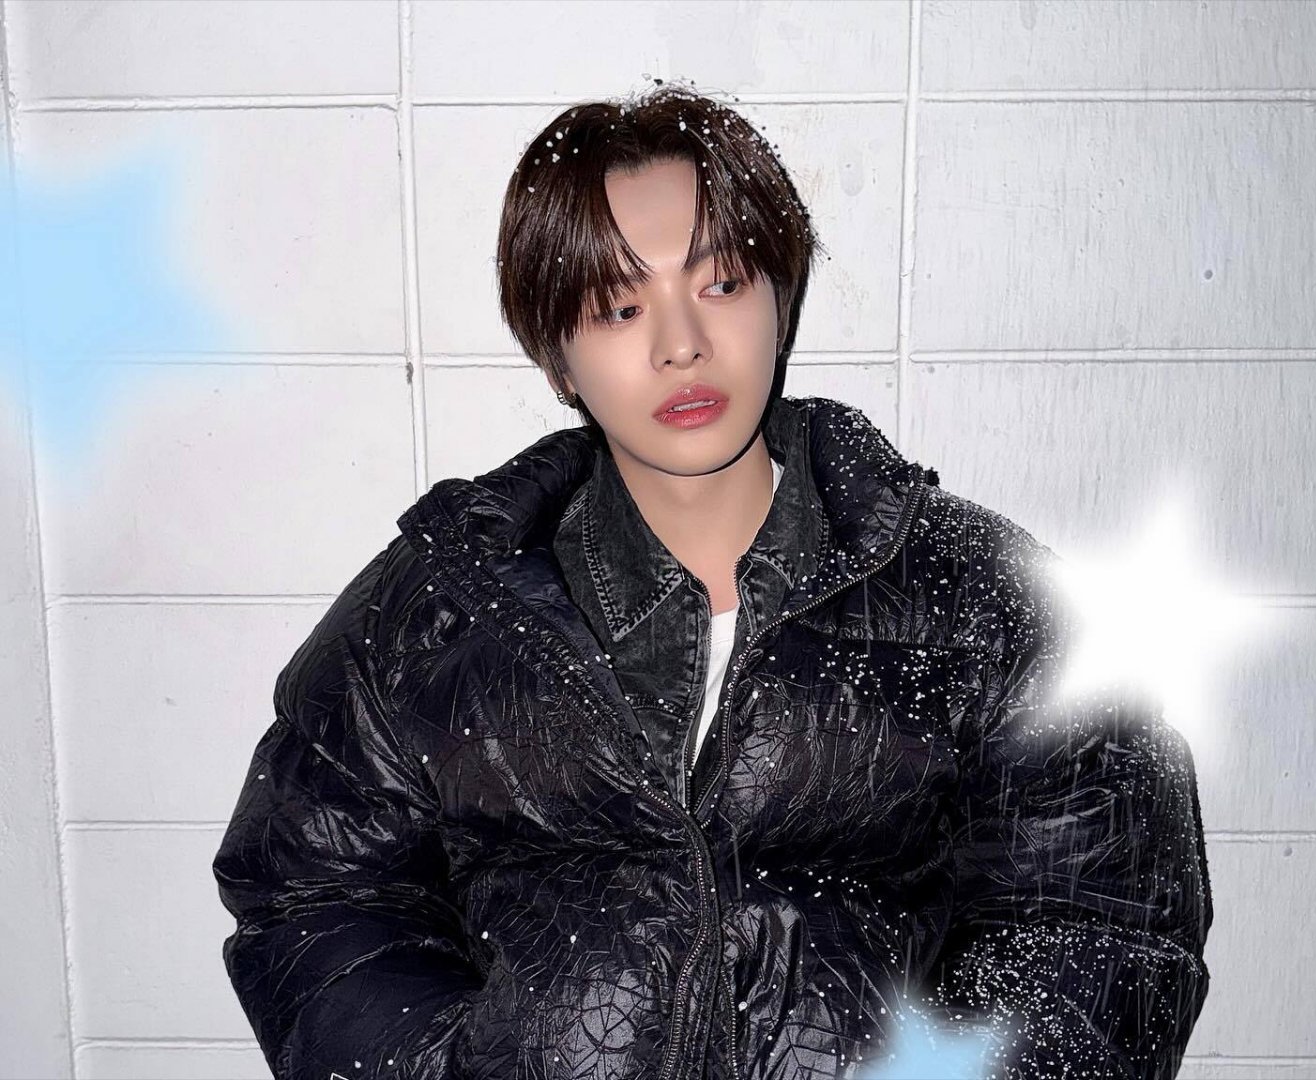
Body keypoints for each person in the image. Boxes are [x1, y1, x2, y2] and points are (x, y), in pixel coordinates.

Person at [212, 83, 1212, 1080]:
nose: (680, 343)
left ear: (780, 297)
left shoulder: (977, 594)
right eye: (618, 307)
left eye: (722, 283)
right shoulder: (447, 605)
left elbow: (1101, 921)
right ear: (558, 358)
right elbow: (312, 895)